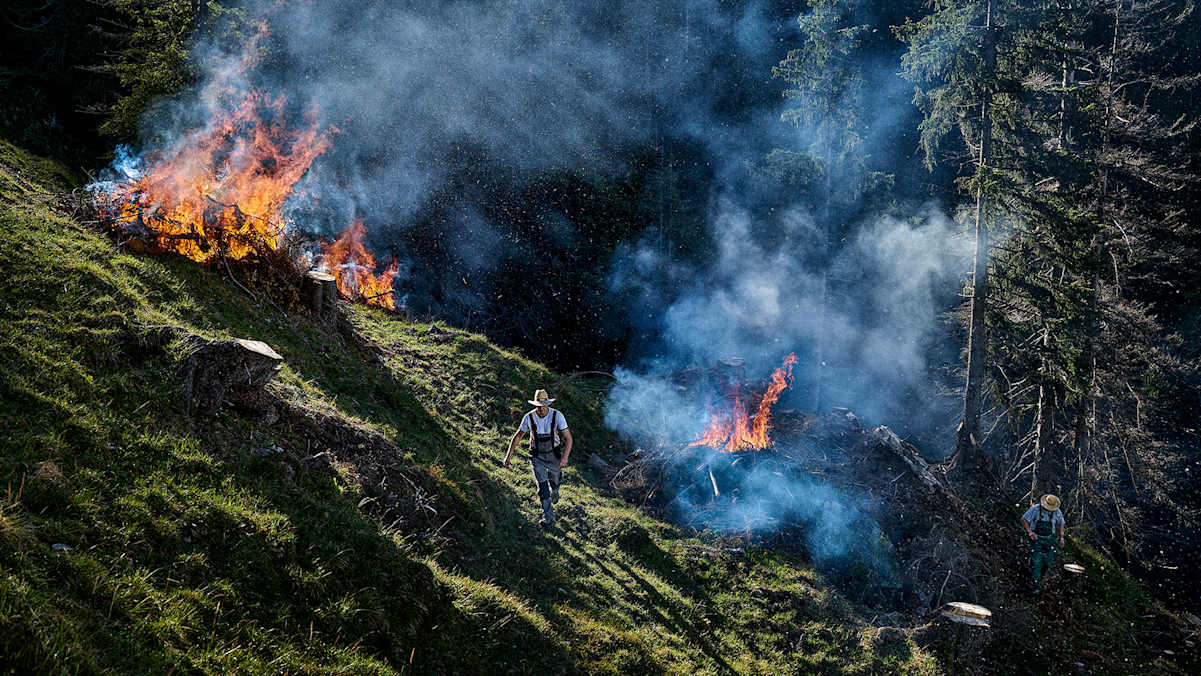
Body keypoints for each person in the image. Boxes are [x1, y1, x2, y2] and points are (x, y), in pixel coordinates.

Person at [504, 389, 573, 528]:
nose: (541, 408)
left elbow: (569, 438)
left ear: (548, 404)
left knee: (555, 479)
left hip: (554, 455)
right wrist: (508, 456)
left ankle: (555, 488)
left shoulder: (557, 416)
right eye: (538, 406)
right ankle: (548, 517)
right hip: (537, 457)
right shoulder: (529, 418)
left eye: (543, 405)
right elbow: (518, 437)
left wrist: (565, 458)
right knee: (542, 488)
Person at [1020, 493, 1066, 594]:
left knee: (1047, 562)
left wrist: (1062, 537)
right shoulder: (1035, 509)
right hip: (1036, 538)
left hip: (1049, 539)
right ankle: (1036, 587)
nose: (1048, 510)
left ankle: (1039, 577)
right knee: (1037, 562)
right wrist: (1030, 532)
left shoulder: (1057, 512)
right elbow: (1024, 519)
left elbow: (1061, 524)